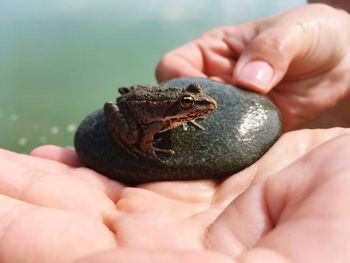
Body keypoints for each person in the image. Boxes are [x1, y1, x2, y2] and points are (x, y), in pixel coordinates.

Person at [0, 2, 349, 262]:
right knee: (138, 137)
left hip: (146, 97)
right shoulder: (162, 116)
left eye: (193, 101)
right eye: (189, 105)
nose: (200, 106)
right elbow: (147, 128)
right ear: (177, 106)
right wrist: (145, 153)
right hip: (132, 110)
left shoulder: (188, 106)